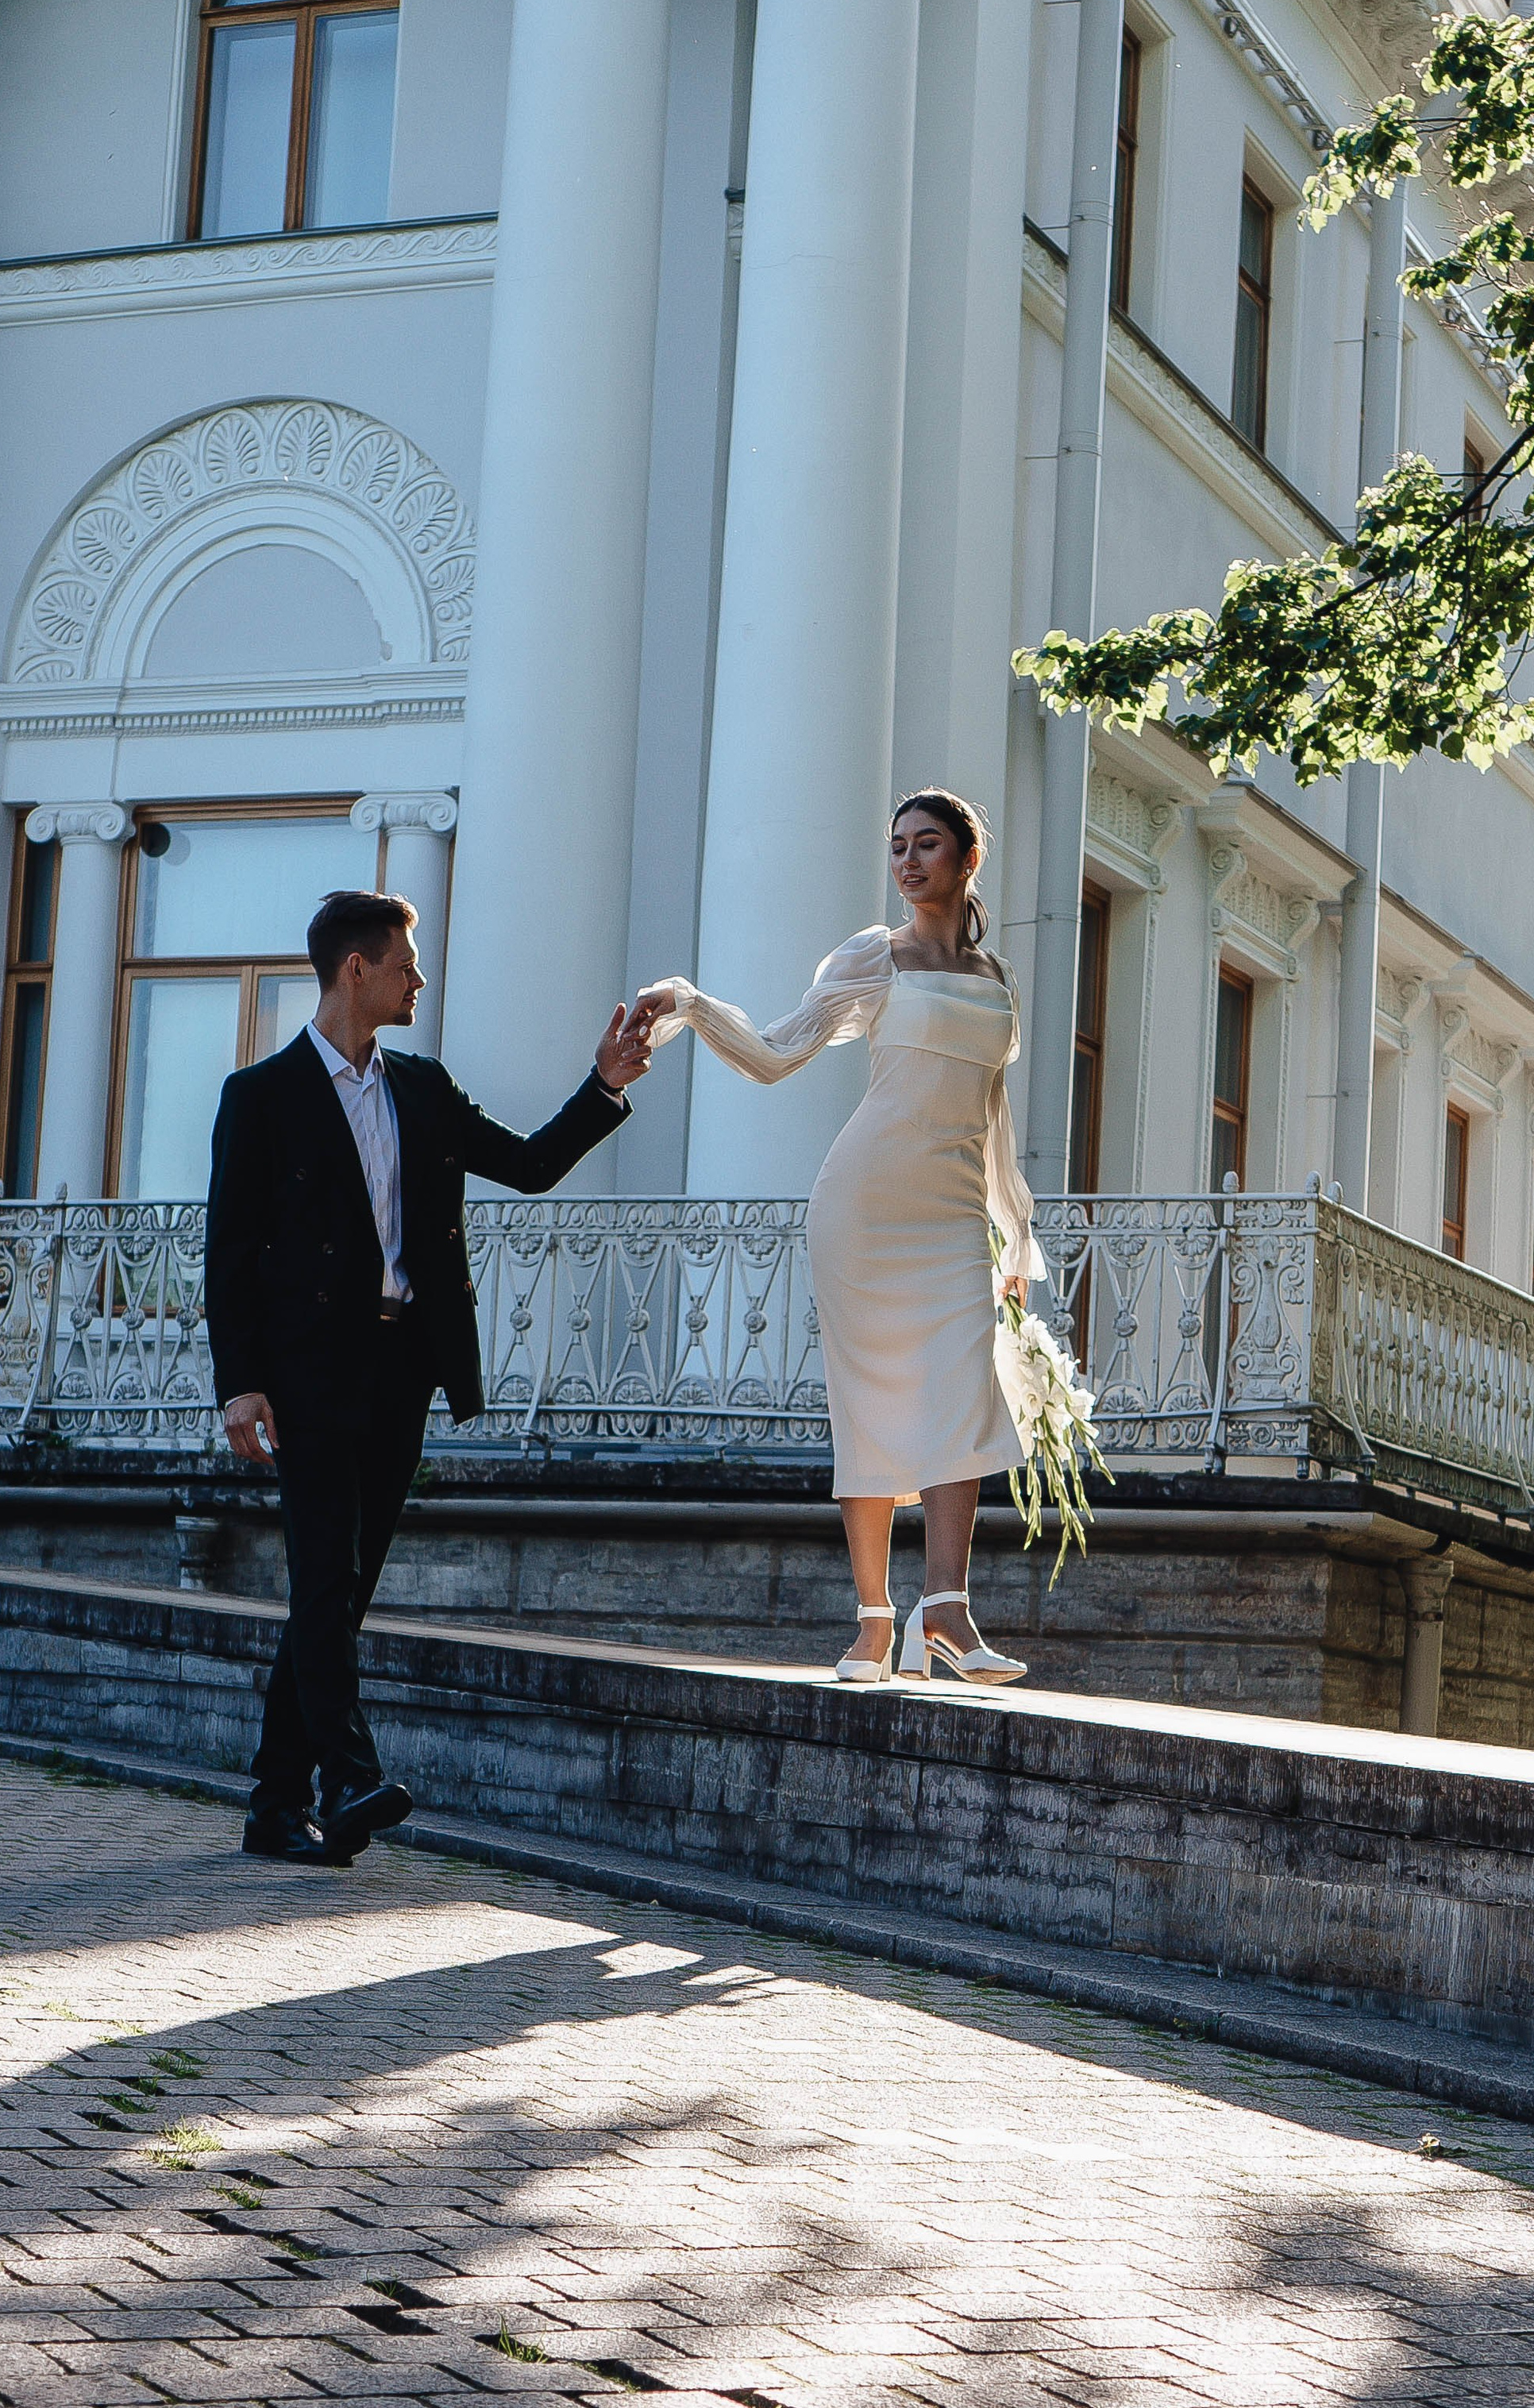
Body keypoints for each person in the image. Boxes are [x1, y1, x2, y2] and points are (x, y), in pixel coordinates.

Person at [206, 889, 653, 1865]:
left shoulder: (423, 1086)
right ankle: (350, 1776)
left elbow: (530, 1165)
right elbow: (229, 1254)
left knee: (345, 1588)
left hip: (403, 1361)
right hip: (306, 1372)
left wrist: (604, 1084)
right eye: (406, 962)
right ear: (355, 969)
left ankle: (278, 1807)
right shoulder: (261, 1097)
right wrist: (239, 1384)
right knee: (323, 1575)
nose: (419, 978)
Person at [638, 790, 1040, 1687]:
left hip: (950, 1214)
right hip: (864, 1206)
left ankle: (948, 1615)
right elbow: (778, 1053)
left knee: (963, 1399)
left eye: (926, 845)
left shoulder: (995, 976)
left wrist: (1014, 1235)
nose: (906, 860)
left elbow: (993, 1114)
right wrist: (694, 1006)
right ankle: (870, 1624)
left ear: (968, 858)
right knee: (869, 1404)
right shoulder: (875, 955)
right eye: (896, 845)